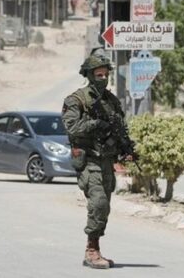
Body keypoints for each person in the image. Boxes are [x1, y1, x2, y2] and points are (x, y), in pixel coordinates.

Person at [62, 51, 133, 269]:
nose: (103, 79)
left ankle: (95, 246)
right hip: (89, 159)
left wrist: (125, 147)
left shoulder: (112, 101)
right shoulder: (77, 100)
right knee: (98, 203)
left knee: (105, 207)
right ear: (89, 75)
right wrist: (95, 124)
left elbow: (120, 128)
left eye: (105, 75)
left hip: (107, 160)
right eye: (98, 75)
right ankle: (91, 251)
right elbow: (72, 128)